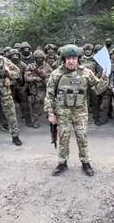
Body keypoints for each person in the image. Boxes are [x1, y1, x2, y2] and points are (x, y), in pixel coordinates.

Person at [44, 44, 109, 176]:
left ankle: (85, 163)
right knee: (63, 138)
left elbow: (97, 89)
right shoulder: (56, 74)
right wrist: (51, 113)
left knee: (82, 137)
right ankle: (62, 163)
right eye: (68, 58)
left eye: (74, 58)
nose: (71, 61)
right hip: (62, 113)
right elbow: (49, 95)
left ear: (78, 58)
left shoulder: (86, 73)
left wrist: (104, 77)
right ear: (63, 59)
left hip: (80, 112)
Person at [24, 50, 53, 128]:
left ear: (43, 58)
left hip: (45, 88)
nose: (39, 59)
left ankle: (52, 120)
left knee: (50, 105)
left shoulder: (47, 67)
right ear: (35, 58)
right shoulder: (30, 66)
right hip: (35, 88)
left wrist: (44, 77)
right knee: (35, 106)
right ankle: (36, 121)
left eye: (41, 58)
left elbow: (52, 77)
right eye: (37, 58)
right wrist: (35, 78)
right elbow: (26, 78)